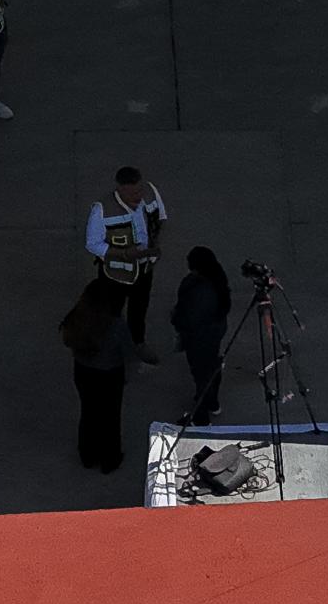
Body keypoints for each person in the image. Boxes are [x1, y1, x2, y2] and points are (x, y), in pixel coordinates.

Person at [60, 274, 134, 475]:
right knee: (110, 416)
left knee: (88, 411)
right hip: (109, 375)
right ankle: (110, 459)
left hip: (83, 371)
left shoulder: (79, 318)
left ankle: (87, 454)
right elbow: (128, 352)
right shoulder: (116, 325)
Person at [87, 163, 169, 342]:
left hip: (144, 268)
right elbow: (93, 244)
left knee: (139, 310)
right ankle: (111, 345)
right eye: (133, 194)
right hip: (115, 274)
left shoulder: (150, 192)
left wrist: (156, 245)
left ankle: (137, 343)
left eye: (140, 190)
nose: (139, 196)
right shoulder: (102, 209)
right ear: (120, 189)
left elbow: (161, 217)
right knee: (112, 311)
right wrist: (123, 254)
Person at [170, 247, 234, 424]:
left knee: (201, 374)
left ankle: (201, 417)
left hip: (199, 337)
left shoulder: (199, 289)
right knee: (212, 366)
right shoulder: (217, 279)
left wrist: (176, 319)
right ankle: (212, 402)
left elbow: (190, 319)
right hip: (214, 333)